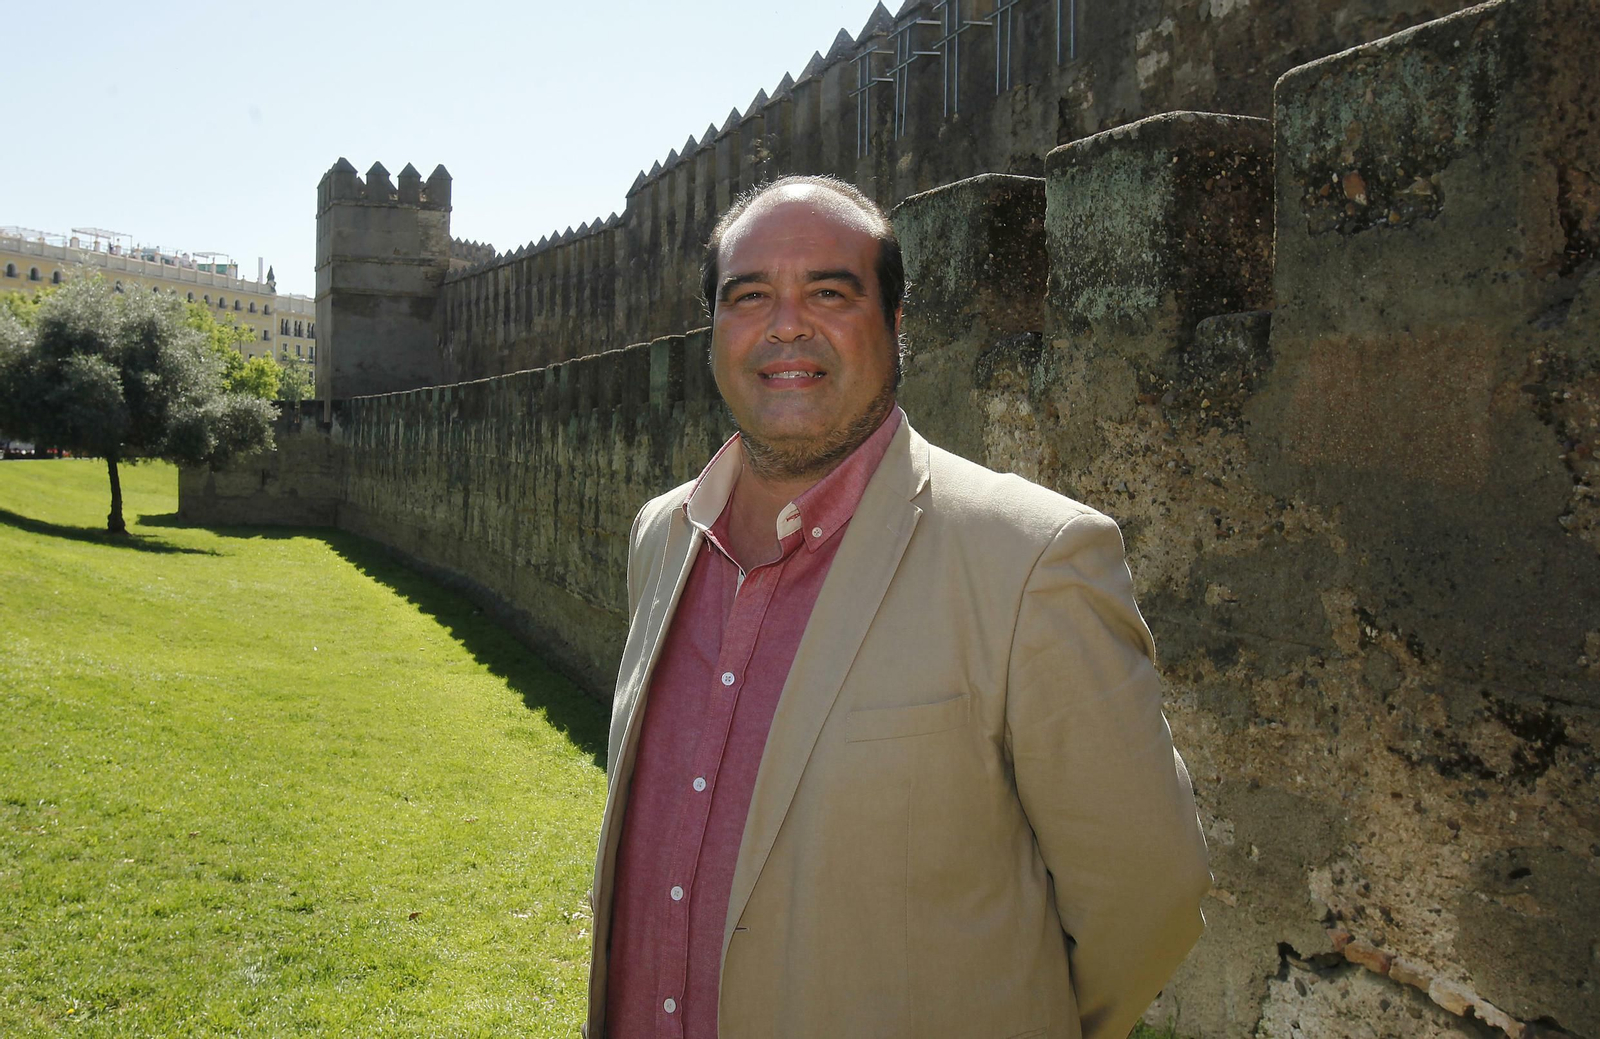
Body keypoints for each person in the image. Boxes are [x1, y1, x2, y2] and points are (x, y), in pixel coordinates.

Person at [586, 175, 1210, 1039]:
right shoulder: (663, 537)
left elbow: (1149, 895)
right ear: (715, 329)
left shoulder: (1029, 560)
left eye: (830, 292)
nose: (786, 323)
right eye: (750, 294)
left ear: (896, 323)